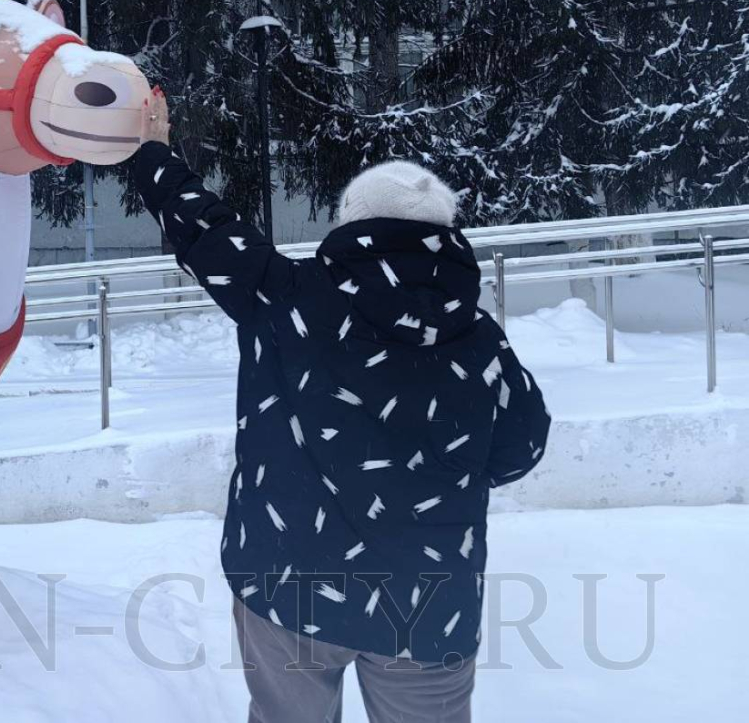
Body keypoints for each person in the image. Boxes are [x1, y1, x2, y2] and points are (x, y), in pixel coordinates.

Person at [131, 90, 550, 723]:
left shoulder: (284, 298)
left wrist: (150, 150)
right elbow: (522, 447)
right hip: (429, 605)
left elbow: (205, 230)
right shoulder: (479, 339)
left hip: (286, 585)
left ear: (349, 226)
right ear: (445, 237)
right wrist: (436, 474)